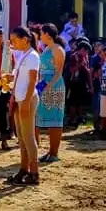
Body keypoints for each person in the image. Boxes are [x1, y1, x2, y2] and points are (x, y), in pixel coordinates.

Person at [8, 27, 40, 186]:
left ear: (25, 39)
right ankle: (24, 169)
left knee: (28, 137)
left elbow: (33, 80)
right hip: (20, 98)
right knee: (21, 137)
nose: (13, 43)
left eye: (15, 40)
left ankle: (34, 172)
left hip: (26, 99)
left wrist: (26, 102)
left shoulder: (32, 56)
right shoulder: (24, 55)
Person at [36, 24, 66, 163]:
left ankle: (54, 152)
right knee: (45, 118)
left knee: (55, 119)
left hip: (54, 86)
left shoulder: (58, 49)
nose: (40, 36)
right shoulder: (47, 48)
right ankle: (50, 151)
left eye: (41, 33)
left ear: (48, 34)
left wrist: (49, 86)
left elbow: (59, 72)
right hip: (44, 84)